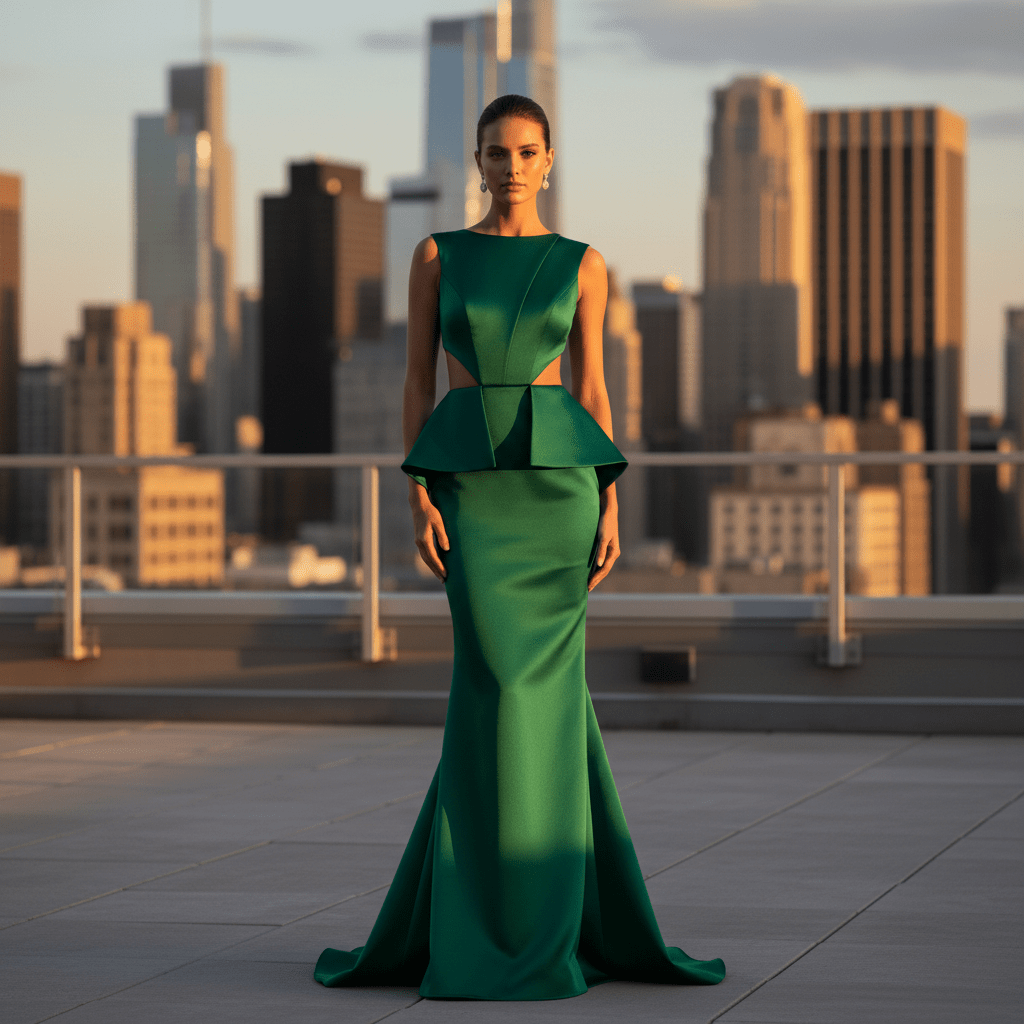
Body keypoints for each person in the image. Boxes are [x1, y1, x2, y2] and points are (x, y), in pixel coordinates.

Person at [315, 94, 725, 1000]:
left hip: (559, 495)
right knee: (491, 688)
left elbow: (594, 392)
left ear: (549, 161)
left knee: (545, 699)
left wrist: (609, 499)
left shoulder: (584, 264)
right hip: (471, 490)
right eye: (496, 153)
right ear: (479, 161)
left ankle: (546, 914)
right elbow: (417, 385)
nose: (511, 168)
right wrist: (417, 492)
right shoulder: (437, 257)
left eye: (527, 152)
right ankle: (485, 915)